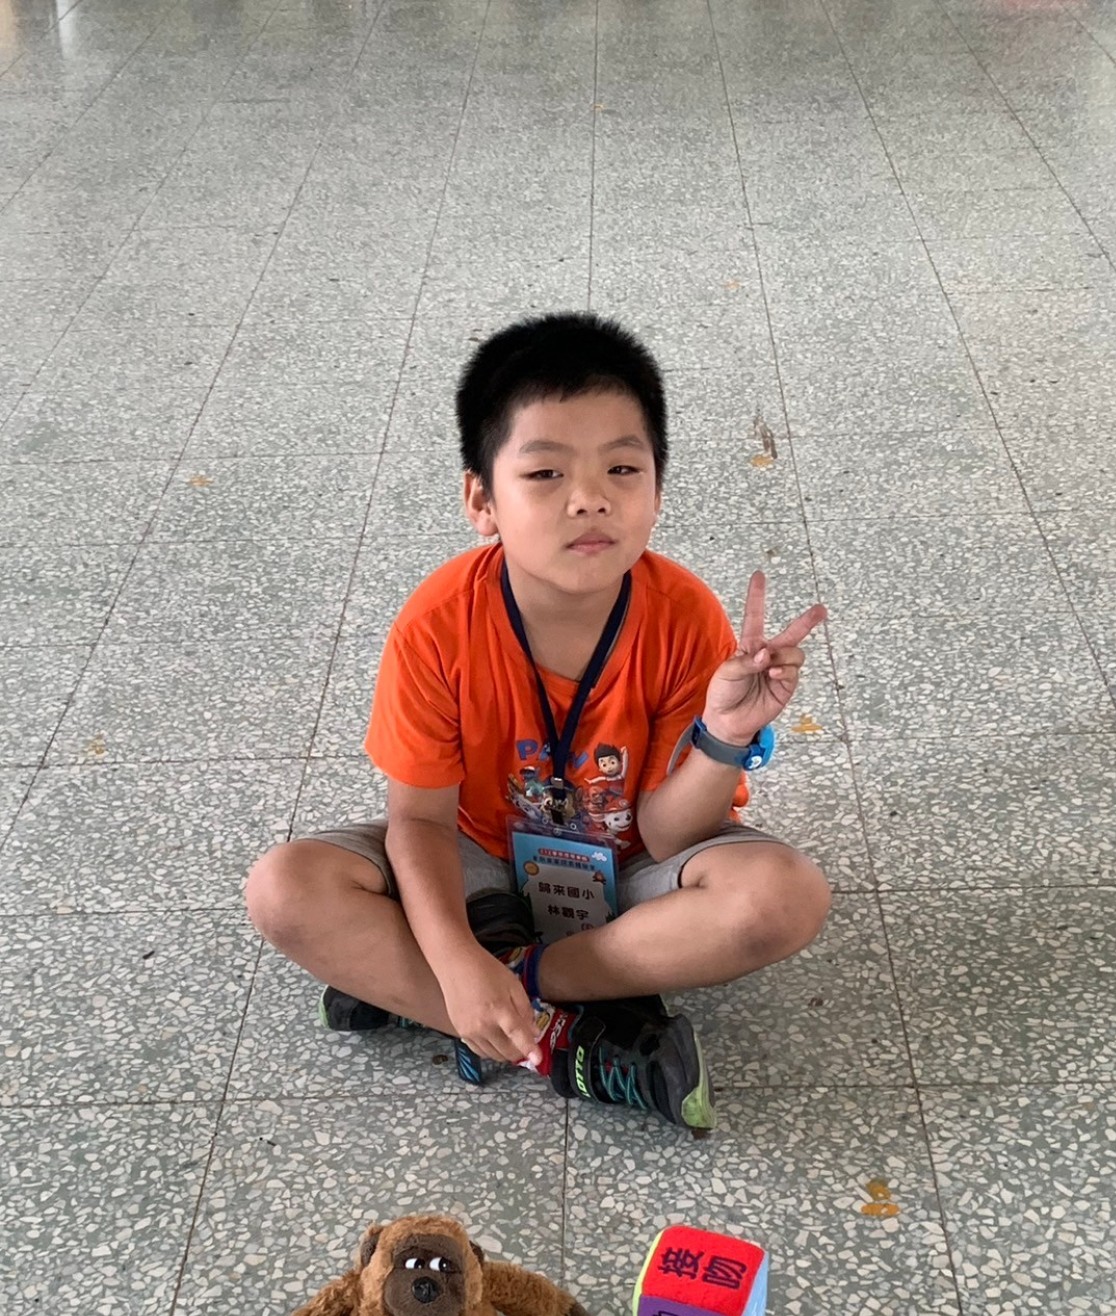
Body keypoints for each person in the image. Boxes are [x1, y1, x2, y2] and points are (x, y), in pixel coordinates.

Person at [245, 314, 831, 1135]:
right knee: (285, 889)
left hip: (628, 871)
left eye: (622, 468)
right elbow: (420, 821)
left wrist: (724, 736)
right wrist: (454, 954)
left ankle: (470, 985)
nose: (589, 498)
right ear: (481, 500)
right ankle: (567, 1042)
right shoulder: (438, 623)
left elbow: (669, 836)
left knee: (781, 899)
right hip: (480, 862)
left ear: (658, 492)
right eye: (546, 472)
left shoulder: (685, 615)